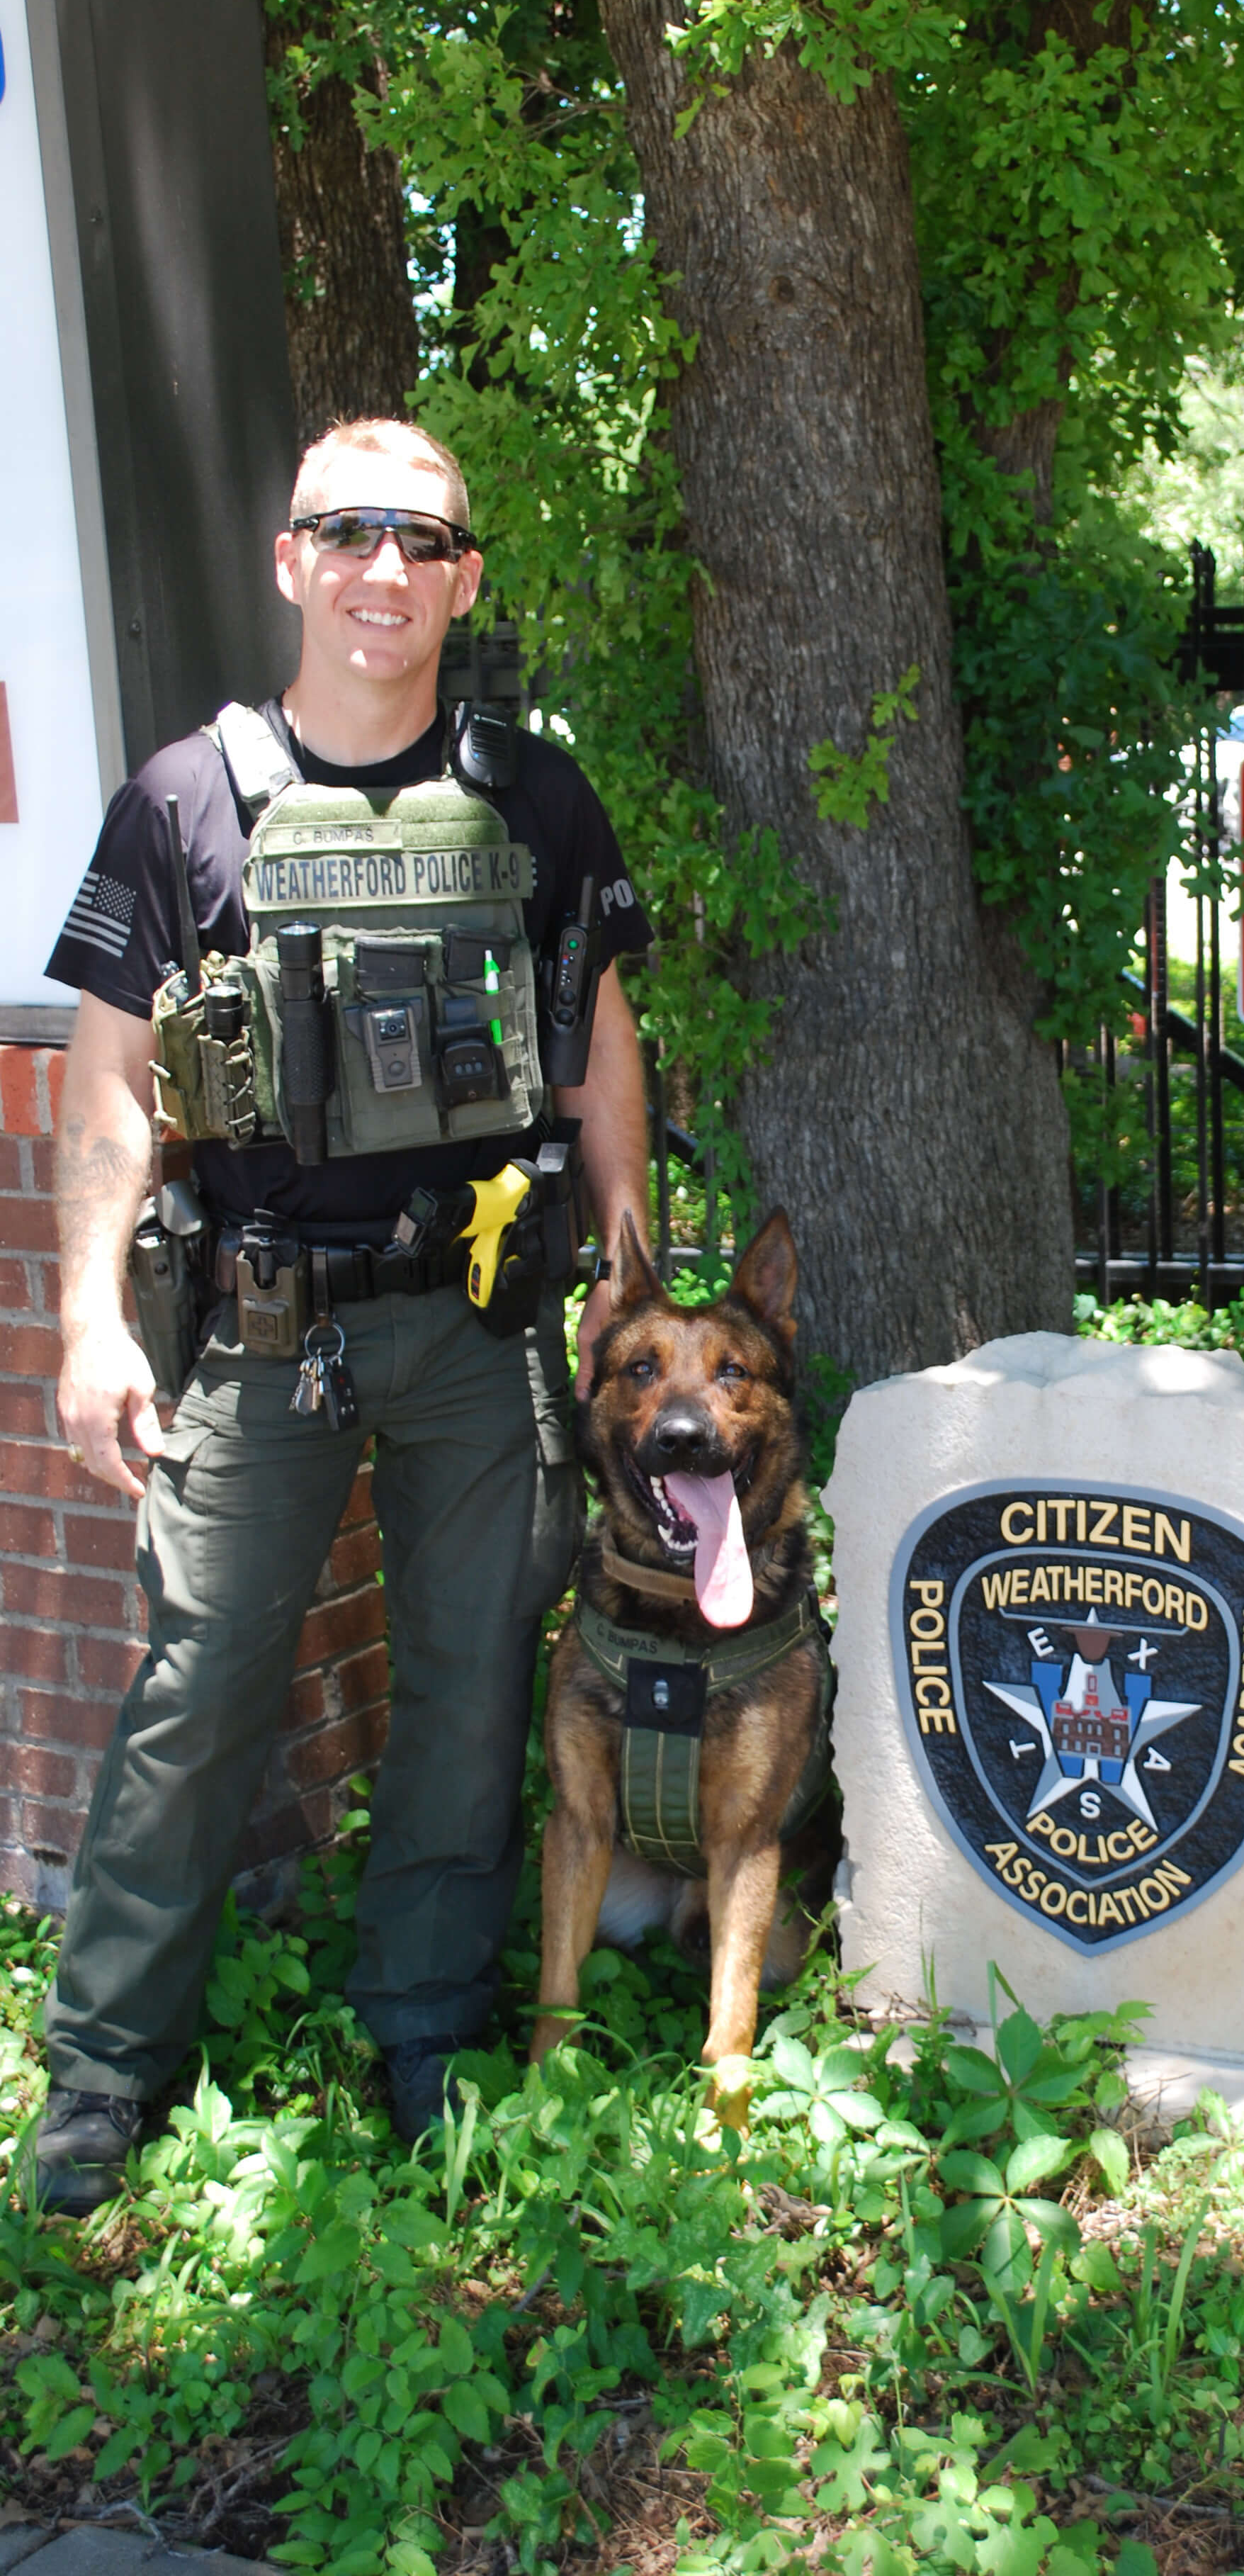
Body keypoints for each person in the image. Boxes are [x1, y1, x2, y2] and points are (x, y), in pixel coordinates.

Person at [37, 417, 651, 2207]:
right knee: (202, 1684)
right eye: (351, 535)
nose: (389, 570)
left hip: (480, 1325)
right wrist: (87, 1317)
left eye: (425, 541)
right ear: (291, 560)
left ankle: (425, 2021)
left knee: (469, 1686)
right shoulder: (184, 799)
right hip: (256, 1323)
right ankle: (101, 2073)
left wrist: (626, 1237)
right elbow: (109, 1077)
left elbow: (597, 1025)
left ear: (464, 578)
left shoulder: (535, 800)